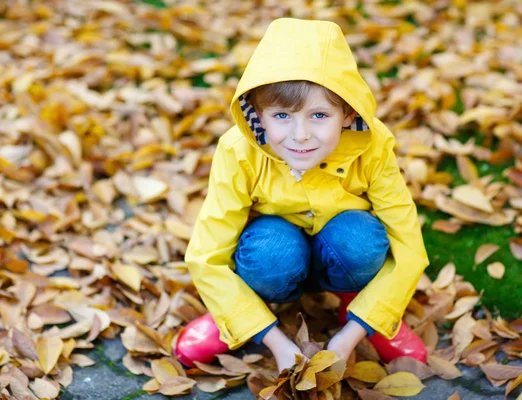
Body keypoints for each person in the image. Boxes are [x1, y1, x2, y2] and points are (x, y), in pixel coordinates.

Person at [174, 18, 430, 372]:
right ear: (258, 116)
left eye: (319, 115)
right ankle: (234, 315)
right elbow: (207, 254)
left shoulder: (373, 145)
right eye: (282, 115)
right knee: (270, 251)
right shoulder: (237, 151)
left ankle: (369, 309)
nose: (301, 135)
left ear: (347, 113)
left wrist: (351, 334)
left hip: (341, 251)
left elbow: (408, 245)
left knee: (360, 238)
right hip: (273, 257)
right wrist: (275, 340)